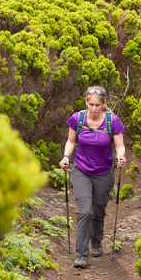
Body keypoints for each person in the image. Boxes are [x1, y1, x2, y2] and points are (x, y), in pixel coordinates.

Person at [59, 86, 126, 269]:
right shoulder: (77, 119)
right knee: (84, 211)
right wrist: (66, 157)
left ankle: (96, 240)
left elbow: (119, 145)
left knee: (98, 210)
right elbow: (71, 141)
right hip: (81, 170)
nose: (94, 108)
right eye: (91, 104)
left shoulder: (113, 121)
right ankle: (81, 254)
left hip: (104, 172)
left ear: (104, 104)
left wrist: (121, 157)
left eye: (97, 105)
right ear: (86, 103)